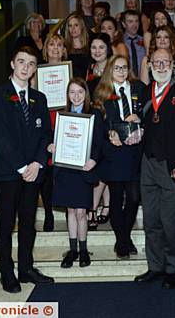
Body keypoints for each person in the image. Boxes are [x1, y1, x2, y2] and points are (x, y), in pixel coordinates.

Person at [134, 47, 175, 290]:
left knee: (170, 222)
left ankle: (173, 269)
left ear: (173, 65)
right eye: (156, 63)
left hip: (173, 167)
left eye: (165, 63)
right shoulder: (143, 93)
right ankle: (156, 267)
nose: (161, 67)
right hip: (147, 164)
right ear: (149, 65)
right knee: (151, 221)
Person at [0, 45, 54, 293]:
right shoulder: (0, 95)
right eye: (21, 62)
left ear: (35, 68)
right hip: (9, 173)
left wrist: (37, 163)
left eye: (30, 64)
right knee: (6, 225)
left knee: (28, 222)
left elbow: (45, 135)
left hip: (34, 173)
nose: (25, 67)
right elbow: (1, 136)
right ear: (12, 64)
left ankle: (26, 268)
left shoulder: (40, 98)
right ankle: (7, 273)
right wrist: (22, 166)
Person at [94, 55, 145, 258]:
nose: (122, 71)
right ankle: (122, 241)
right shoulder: (102, 93)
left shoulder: (139, 89)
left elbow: (150, 114)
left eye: (124, 68)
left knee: (133, 198)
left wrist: (139, 118)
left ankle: (124, 236)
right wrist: (109, 133)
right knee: (116, 198)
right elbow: (99, 122)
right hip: (114, 152)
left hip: (134, 151)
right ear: (109, 71)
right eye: (117, 68)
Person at [53, 78, 104, 269]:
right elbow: (55, 139)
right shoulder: (62, 115)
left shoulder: (94, 114)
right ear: (67, 94)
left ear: (86, 94)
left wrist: (94, 160)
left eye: (80, 92)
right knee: (71, 211)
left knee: (82, 212)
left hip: (84, 170)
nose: (76, 96)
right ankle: (72, 250)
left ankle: (83, 251)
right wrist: (53, 146)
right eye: (72, 92)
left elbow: (100, 143)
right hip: (66, 170)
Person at [37, 34, 68, 230]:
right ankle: (48, 212)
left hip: (64, 122)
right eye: (51, 45)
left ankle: (68, 208)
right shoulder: (37, 72)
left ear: (64, 49)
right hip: (45, 121)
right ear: (46, 49)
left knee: (63, 171)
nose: (55, 48)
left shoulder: (69, 71)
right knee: (46, 172)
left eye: (59, 45)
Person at [86, 33, 113, 229]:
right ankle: (105, 206)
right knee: (99, 166)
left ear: (108, 49)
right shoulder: (88, 69)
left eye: (101, 47)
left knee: (104, 165)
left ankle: (94, 208)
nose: (97, 51)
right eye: (94, 47)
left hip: (109, 122)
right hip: (93, 121)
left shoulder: (114, 69)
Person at [63, 14, 91, 78]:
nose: (73, 28)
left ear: (81, 27)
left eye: (76, 25)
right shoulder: (64, 47)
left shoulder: (90, 46)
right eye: (70, 26)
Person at [122, 10, 147, 78]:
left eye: (136, 21)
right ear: (124, 24)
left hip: (143, 81)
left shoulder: (145, 41)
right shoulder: (120, 42)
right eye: (130, 21)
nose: (134, 25)